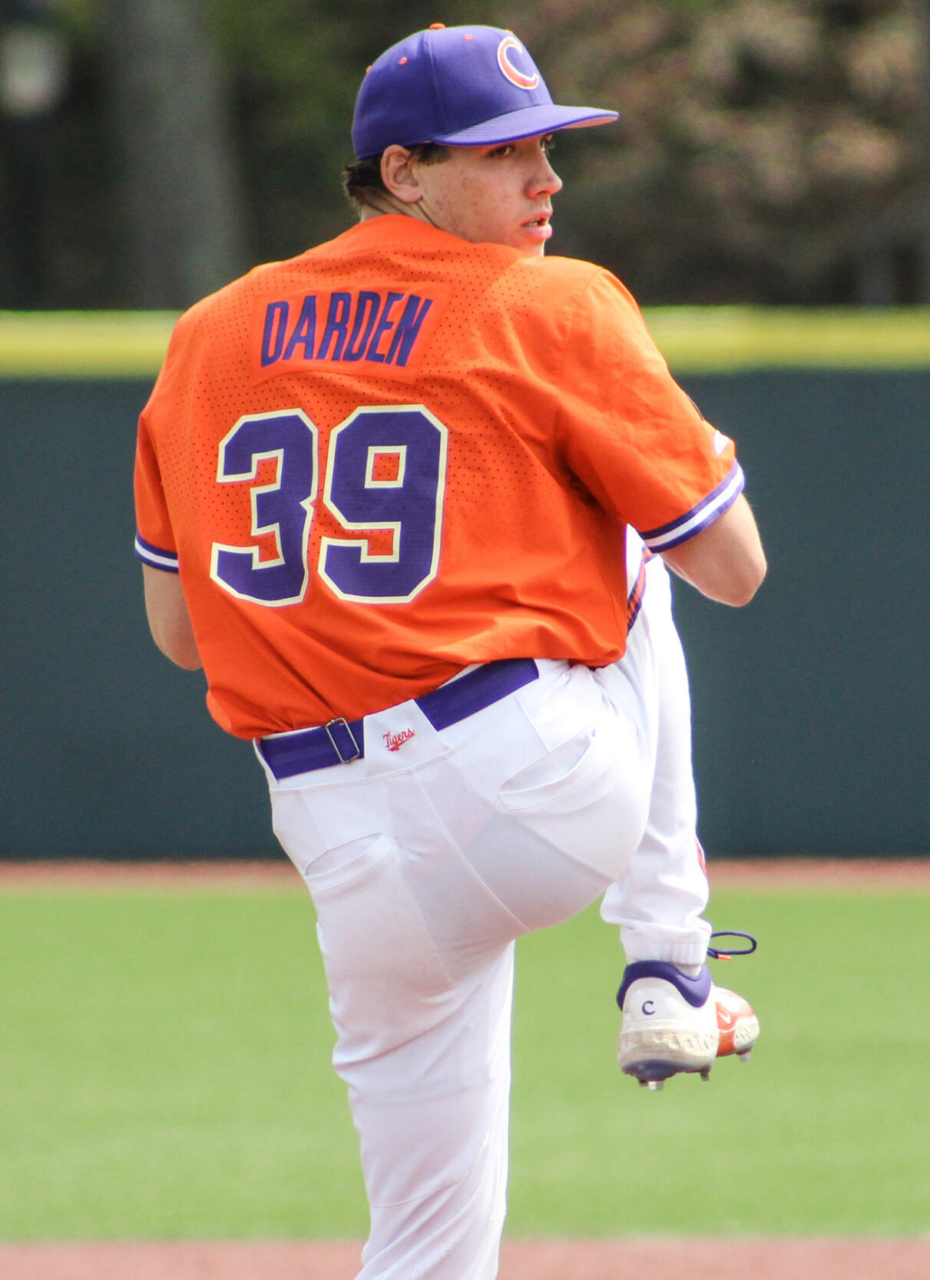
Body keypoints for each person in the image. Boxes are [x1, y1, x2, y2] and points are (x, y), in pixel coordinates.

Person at [134, 23, 766, 1279]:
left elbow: (177, 631)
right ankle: (669, 963)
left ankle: (670, 966)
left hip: (332, 829)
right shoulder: (552, 302)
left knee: (421, 1249)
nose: (549, 180)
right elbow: (735, 566)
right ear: (406, 171)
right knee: (645, 538)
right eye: (507, 152)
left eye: (546, 148)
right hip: (526, 793)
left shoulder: (208, 333)